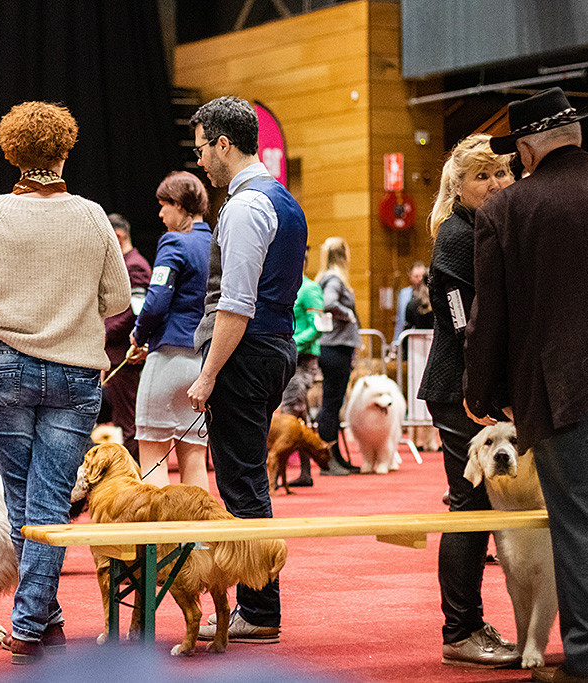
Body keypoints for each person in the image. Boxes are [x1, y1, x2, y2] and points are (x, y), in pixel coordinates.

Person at [0, 101, 130, 664]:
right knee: (49, 500)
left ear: (11, 153)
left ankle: (37, 619)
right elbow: (118, 298)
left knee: (21, 496)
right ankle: (36, 621)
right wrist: (70, 307)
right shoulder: (93, 216)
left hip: (4, 365)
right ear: (65, 149)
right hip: (75, 371)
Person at [464, 87, 588, 683]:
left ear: (525, 151)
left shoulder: (505, 211)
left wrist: (480, 392)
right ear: (576, 134)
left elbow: (491, 317)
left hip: (561, 390)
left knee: (578, 526)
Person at [185, 96, 306, 643]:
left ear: (223, 144)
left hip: (245, 352)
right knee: (247, 479)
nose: (200, 161)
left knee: (242, 484)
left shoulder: (243, 207)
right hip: (272, 347)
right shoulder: (282, 199)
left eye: (201, 149)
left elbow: (235, 304)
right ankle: (260, 606)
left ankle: (258, 610)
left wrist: (208, 373)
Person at [415, 133, 518, 668]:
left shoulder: (492, 226)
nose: (496, 183)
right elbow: (464, 326)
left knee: (480, 508)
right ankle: (460, 631)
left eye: (502, 172)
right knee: (468, 505)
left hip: (479, 387)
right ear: (459, 186)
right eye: (483, 176)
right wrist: (481, 393)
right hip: (460, 389)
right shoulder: (456, 236)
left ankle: (471, 623)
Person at [128, 171, 211, 489]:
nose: (161, 214)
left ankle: (159, 526)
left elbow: (156, 301)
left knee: (153, 455)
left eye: (164, 205)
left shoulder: (174, 241)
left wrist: (138, 334)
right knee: (195, 457)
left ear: (178, 204)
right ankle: (197, 525)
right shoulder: (216, 243)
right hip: (203, 363)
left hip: (168, 359)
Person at [103, 213, 151, 463]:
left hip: (124, 353)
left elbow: (135, 312)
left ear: (118, 235)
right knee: (124, 420)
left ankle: (133, 475)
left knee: (128, 421)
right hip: (117, 353)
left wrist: (103, 333)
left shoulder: (134, 265)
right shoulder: (127, 263)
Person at [314, 237, 362, 477]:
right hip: (336, 348)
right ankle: (328, 460)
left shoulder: (326, 277)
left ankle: (336, 457)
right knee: (331, 405)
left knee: (333, 404)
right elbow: (329, 302)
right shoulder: (334, 278)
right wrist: (348, 315)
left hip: (333, 347)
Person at [280, 246, 323, 487]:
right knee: (299, 415)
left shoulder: (310, 289)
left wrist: (291, 341)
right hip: (289, 357)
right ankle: (305, 472)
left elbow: (317, 327)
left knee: (290, 413)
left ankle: (281, 474)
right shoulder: (289, 287)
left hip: (304, 360)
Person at [392, 261, 425, 345]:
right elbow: (400, 319)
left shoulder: (430, 294)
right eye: (416, 276)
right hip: (408, 337)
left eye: (421, 276)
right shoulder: (404, 293)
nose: (419, 279)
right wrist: (396, 341)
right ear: (410, 277)